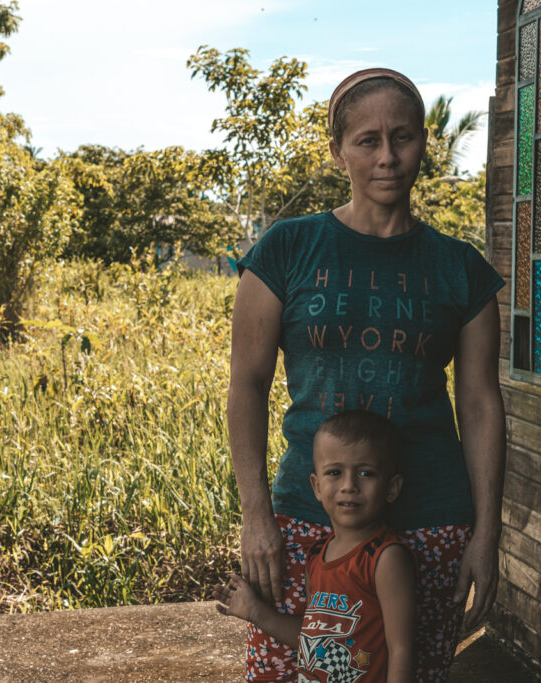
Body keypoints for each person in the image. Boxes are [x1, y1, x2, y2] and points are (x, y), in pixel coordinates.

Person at [228, 67, 506, 682]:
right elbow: (247, 383)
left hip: (429, 520)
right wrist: (256, 515)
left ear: (423, 145)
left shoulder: (462, 270)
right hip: (309, 518)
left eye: (402, 138)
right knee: (289, 671)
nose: (388, 157)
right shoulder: (287, 250)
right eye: (368, 140)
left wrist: (487, 532)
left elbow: (482, 404)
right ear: (338, 151)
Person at [215, 410, 416, 682]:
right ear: (317, 486)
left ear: (392, 488)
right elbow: (313, 640)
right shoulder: (318, 555)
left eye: (366, 473)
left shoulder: (385, 558)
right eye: (335, 472)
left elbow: (402, 648)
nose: (349, 486)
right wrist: (255, 612)